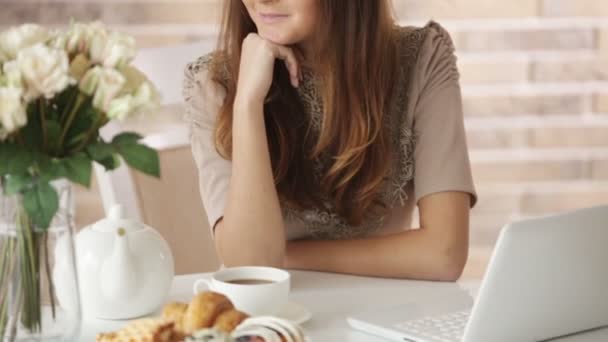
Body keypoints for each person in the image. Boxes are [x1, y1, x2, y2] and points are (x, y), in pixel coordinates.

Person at [183, 0, 477, 281]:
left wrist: (286, 256)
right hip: (272, 319)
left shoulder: (422, 59)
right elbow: (252, 268)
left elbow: (444, 253)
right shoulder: (211, 83)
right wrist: (248, 102)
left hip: (384, 316)